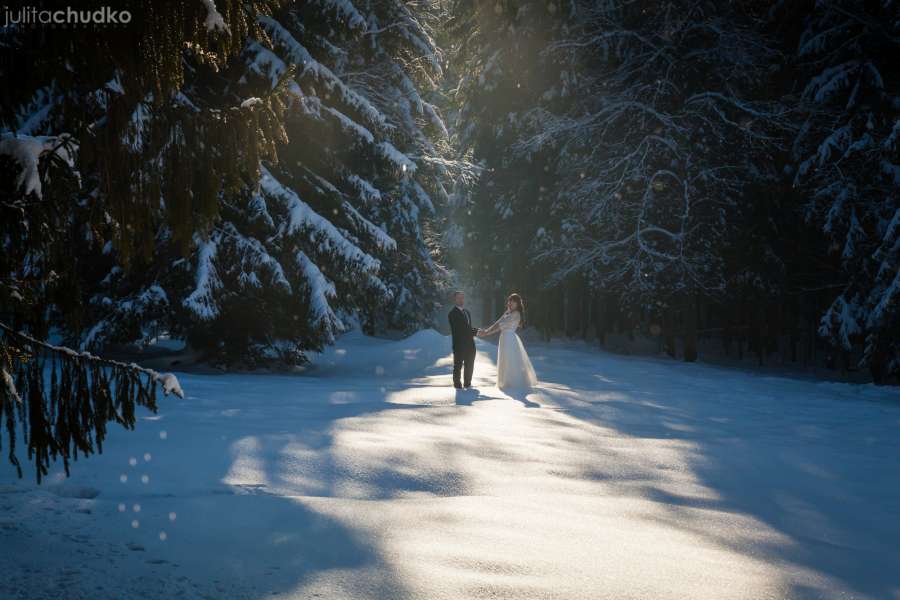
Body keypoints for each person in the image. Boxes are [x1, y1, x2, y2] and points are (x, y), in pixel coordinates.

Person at [478, 293, 538, 390]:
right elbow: (497, 322)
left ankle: (512, 383)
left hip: (510, 338)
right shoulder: (508, 312)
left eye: (513, 302)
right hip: (504, 338)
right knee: (504, 359)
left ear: (517, 304)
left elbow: (501, 325)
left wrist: (487, 333)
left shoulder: (516, 314)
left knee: (510, 360)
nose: (510, 303)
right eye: (509, 301)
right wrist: (487, 330)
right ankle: (505, 381)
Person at [448, 290, 478, 389]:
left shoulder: (467, 312)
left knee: (470, 365)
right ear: (454, 299)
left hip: (470, 344)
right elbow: (461, 328)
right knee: (458, 366)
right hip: (459, 344)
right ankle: (457, 385)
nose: (461, 300)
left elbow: (468, 327)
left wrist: (474, 331)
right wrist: (477, 331)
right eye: (458, 298)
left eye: (462, 297)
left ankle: (468, 383)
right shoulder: (452, 314)